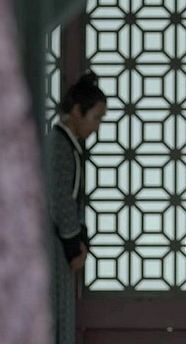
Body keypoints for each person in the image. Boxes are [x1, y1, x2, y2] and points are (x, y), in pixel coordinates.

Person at [47, 71, 107, 344]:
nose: (97, 127)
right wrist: (74, 246)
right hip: (54, 244)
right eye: (96, 117)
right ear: (76, 111)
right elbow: (60, 198)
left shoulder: (66, 145)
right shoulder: (59, 145)